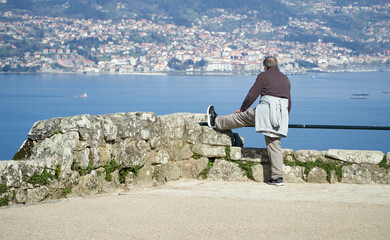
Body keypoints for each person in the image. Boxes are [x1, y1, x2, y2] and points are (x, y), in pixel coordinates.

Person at [207, 56, 291, 186]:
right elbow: (289, 102)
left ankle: (216, 121)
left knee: (240, 118)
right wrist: (284, 118)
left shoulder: (263, 76)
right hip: (280, 115)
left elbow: (253, 93)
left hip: (265, 111)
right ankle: (277, 178)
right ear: (277, 66)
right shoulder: (285, 79)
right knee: (274, 144)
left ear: (265, 67)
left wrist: (243, 108)